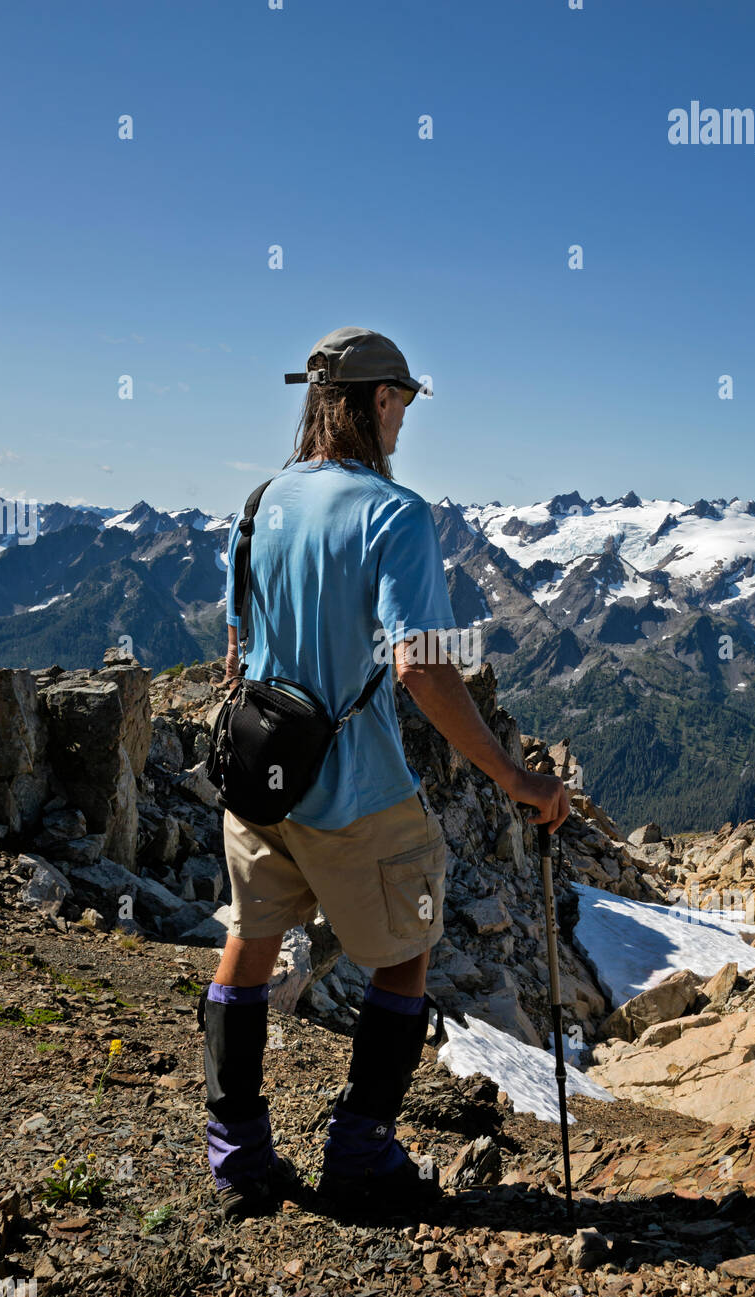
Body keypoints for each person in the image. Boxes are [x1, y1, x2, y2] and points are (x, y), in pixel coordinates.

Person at [202, 325, 570, 1219]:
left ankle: (236, 1149)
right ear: (375, 400)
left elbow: (235, 649)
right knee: (406, 956)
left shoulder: (259, 504)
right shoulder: (394, 513)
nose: (404, 418)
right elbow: (422, 664)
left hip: (256, 778)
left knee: (249, 946)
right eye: (401, 400)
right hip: (354, 788)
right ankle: (360, 1152)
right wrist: (512, 778)